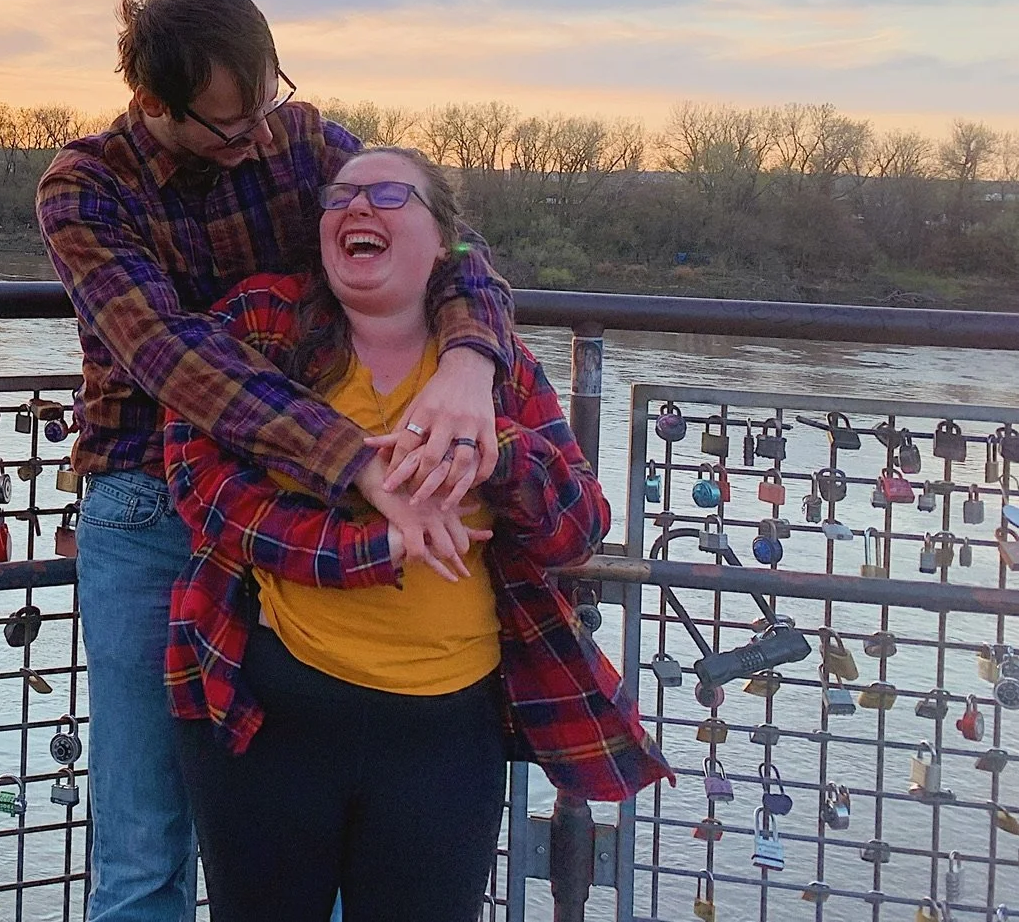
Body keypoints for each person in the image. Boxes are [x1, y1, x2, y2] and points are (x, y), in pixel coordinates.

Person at [36, 0, 518, 922]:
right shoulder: (85, 187)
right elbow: (170, 354)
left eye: (267, 100)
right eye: (230, 123)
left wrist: (470, 361)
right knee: (142, 838)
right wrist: (356, 460)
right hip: (151, 505)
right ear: (152, 101)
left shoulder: (303, 141)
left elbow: (452, 248)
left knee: (307, 813)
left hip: (292, 509)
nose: (258, 135)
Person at [163, 146, 670, 922]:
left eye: (389, 194)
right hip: (269, 707)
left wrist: (497, 454)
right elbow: (204, 487)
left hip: (445, 731)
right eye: (340, 196)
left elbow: (578, 530)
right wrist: (374, 546)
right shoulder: (260, 322)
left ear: (444, 245)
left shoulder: (495, 365)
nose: (357, 206)